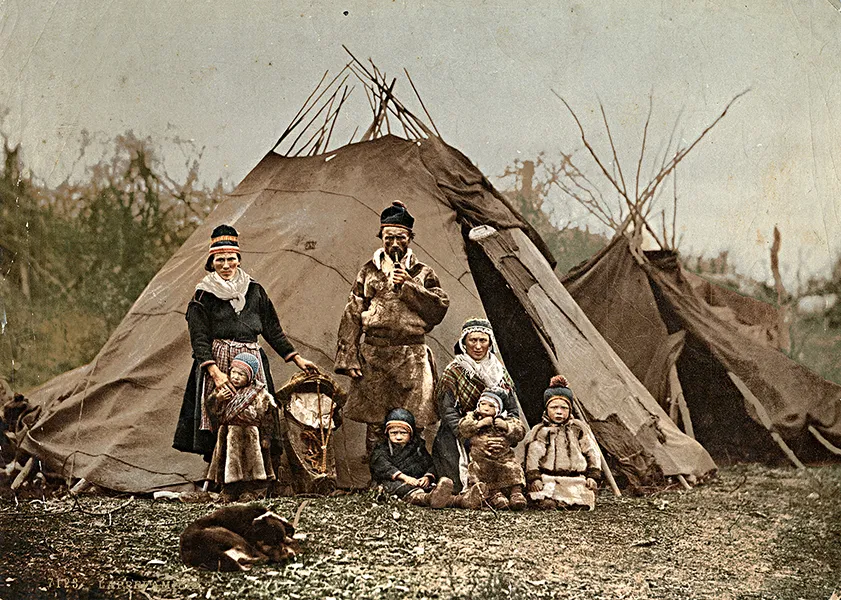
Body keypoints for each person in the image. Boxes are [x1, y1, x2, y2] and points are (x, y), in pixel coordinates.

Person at [173, 224, 318, 470]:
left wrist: (297, 359)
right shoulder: (202, 296)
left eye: (231, 259)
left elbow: (273, 330)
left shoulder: (255, 291)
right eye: (220, 260)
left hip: (252, 362)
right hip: (218, 362)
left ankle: (257, 475)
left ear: (238, 260)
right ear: (211, 263)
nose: (226, 265)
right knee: (220, 415)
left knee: (257, 415)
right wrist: (215, 374)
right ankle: (220, 477)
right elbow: (199, 339)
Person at [335, 201, 449, 454]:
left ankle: (413, 470)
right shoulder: (368, 271)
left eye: (400, 237)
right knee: (376, 423)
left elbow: (438, 310)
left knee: (413, 420)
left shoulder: (423, 272)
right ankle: (379, 472)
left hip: (412, 356)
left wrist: (410, 285)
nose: (395, 243)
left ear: (410, 238)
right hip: (375, 354)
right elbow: (352, 312)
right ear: (381, 238)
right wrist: (349, 357)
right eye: (389, 238)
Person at [432, 318, 520, 493]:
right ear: (464, 342)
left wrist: (505, 434)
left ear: (490, 343)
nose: (478, 346)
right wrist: (469, 436)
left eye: (483, 340)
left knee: (504, 477)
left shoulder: (500, 373)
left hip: (493, 434)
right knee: (459, 484)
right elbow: (447, 411)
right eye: (473, 340)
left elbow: (512, 410)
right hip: (458, 435)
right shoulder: (453, 371)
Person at [205, 353, 277, 501]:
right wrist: (217, 399)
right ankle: (229, 491)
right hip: (228, 433)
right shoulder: (223, 390)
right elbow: (211, 411)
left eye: (241, 374)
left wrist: (266, 437)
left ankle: (250, 491)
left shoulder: (259, 393)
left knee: (252, 463)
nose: (236, 377)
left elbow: (268, 417)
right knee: (227, 462)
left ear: (250, 377)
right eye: (233, 372)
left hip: (251, 434)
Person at [524, 376, 602, 511]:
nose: (559, 412)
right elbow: (533, 456)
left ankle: (571, 502)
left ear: (570, 410)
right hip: (549, 478)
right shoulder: (541, 431)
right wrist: (534, 478)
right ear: (546, 409)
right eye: (554, 407)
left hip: (575, 479)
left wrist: (593, 476)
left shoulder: (578, 429)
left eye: (564, 408)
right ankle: (551, 501)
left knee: (581, 501)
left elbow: (592, 452)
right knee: (545, 501)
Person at [457, 387, 527, 510]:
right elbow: (463, 428)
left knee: (513, 467)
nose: (485, 408)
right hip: (482, 457)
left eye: (491, 406)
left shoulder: (505, 419)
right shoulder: (472, 417)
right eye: (483, 404)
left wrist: (506, 426)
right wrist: (479, 424)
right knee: (485, 470)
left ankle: (516, 493)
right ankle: (495, 495)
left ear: (498, 409)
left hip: (504, 456)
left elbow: (520, 432)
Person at [369, 408, 450, 507]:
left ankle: (459, 500)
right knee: (395, 487)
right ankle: (427, 499)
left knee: (432, 487)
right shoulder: (382, 449)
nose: (398, 437)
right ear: (387, 433)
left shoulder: (417, 447)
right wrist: (405, 478)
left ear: (410, 434)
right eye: (394, 433)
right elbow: (383, 465)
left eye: (403, 433)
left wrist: (427, 477)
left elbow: (429, 464)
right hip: (394, 482)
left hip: (415, 481)